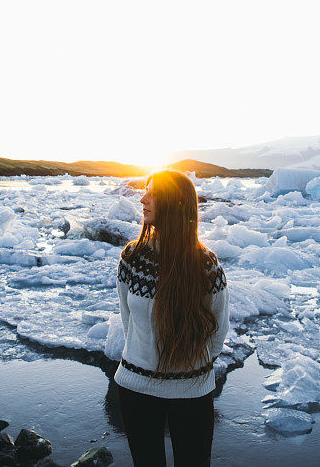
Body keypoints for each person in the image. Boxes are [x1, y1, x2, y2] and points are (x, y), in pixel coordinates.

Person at [114, 169, 230, 467]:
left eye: (152, 193)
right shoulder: (132, 258)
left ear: (174, 203)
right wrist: (143, 357)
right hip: (136, 387)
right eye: (145, 191)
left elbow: (218, 327)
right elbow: (128, 320)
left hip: (191, 390)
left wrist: (195, 367)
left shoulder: (206, 265)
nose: (143, 199)